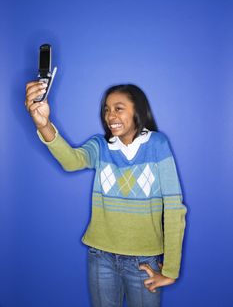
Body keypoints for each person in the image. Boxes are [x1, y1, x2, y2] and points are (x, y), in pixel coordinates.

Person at [25, 82, 187, 307]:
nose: (111, 115)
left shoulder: (158, 145)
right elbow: (72, 161)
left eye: (118, 108)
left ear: (138, 111)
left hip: (143, 261)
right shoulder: (100, 146)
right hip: (101, 258)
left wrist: (170, 270)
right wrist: (43, 124)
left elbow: (173, 209)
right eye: (107, 109)